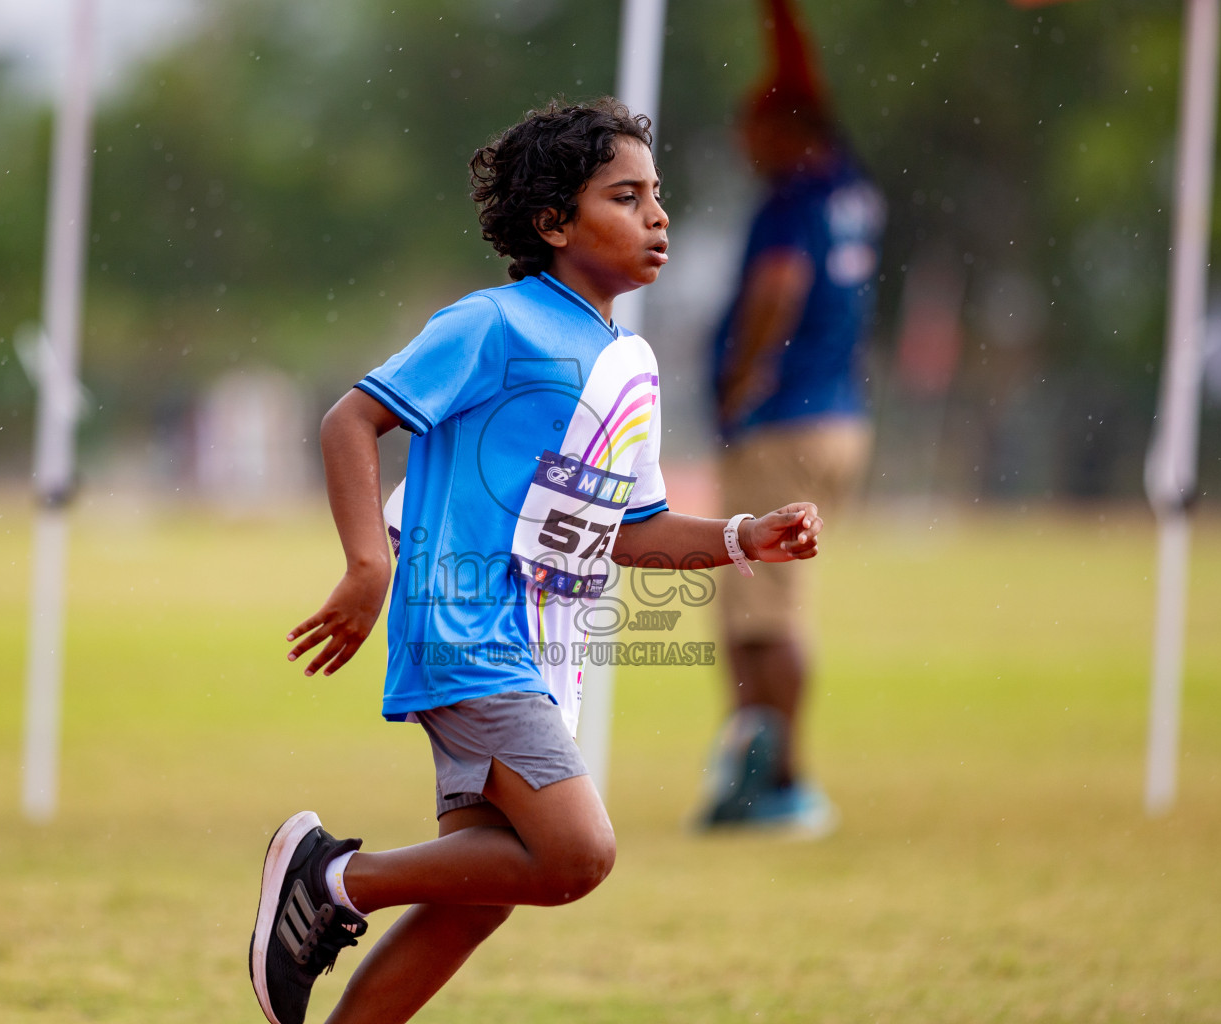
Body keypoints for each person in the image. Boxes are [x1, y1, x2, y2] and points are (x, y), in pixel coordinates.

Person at [248, 98, 824, 1024]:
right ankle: (334, 877)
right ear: (553, 223)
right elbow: (350, 418)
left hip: (542, 653)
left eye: (658, 196)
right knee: (576, 856)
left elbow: (629, 530)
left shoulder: (630, 362)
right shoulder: (494, 323)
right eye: (626, 197)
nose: (657, 216)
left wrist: (737, 536)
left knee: (477, 904)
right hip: (466, 630)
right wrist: (369, 566)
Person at [697, 0, 886, 835]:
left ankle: (779, 780)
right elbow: (807, 86)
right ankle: (760, 767)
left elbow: (778, 286)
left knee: (761, 610)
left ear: (786, 130)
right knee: (773, 601)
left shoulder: (789, 200)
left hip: (783, 420)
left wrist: (741, 378)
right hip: (840, 416)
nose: (745, 146)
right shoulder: (845, 185)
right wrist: (779, 17)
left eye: (752, 129)